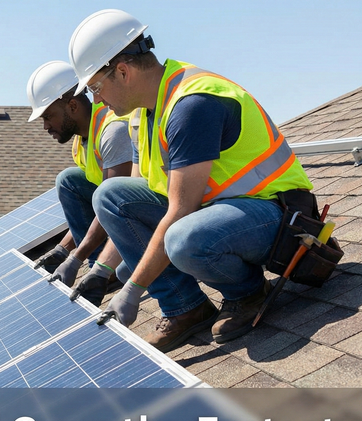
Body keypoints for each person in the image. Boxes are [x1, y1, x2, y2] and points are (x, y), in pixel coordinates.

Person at [68, 9, 313, 350]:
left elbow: (180, 212)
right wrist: (103, 268)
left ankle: (248, 293)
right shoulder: (143, 115)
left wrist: (134, 288)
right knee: (110, 195)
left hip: (278, 216)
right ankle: (185, 308)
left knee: (184, 239)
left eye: (95, 86)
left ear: (123, 71)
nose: (95, 99)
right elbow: (136, 197)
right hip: (220, 214)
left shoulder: (191, 104)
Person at [26, 60, 132, 306]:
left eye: (48, 116)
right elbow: (93, 208)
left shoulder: (112, 131)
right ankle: (100, 264)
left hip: (147, 220)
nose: (45, 126)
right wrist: (62, 249)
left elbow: (114, 203)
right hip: (120, 217)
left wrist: (76, 258)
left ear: (72, 105)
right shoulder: (80, 143)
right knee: (68, 179)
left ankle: (103, 269)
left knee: (125, 270)